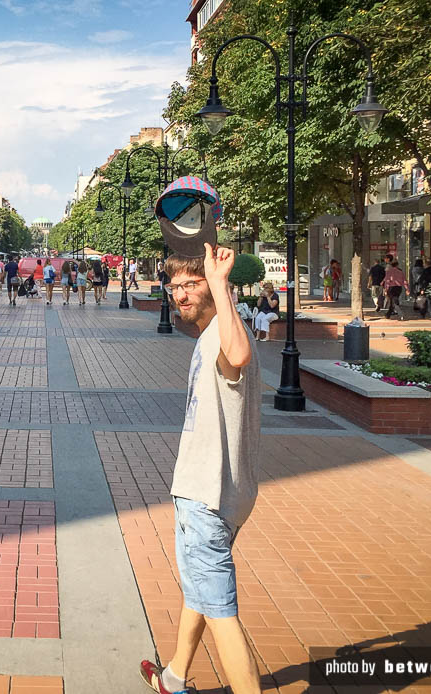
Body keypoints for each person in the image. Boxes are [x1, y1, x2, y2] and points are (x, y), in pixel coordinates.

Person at [139, 243, 260, 694]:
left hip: (206, 494)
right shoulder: (224, 330)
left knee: (220, 609)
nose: (181, 295)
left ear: (213, 285)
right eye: (175, 287)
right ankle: (174, 675)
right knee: (202, 589)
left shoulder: (224, 337)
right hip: (227, 491)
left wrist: (221, 281)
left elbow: (238, 357)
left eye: (192, 285)